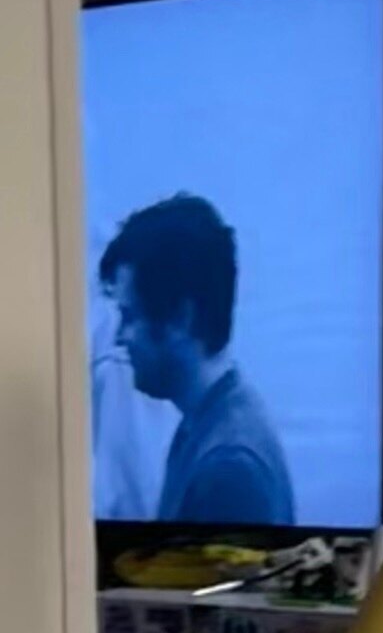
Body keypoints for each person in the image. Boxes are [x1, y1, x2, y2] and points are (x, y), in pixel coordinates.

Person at [98, 194, 295, 529]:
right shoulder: (202, 426)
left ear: (181, 318)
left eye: (129, 317)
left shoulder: (228, 467)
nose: (119, 338)